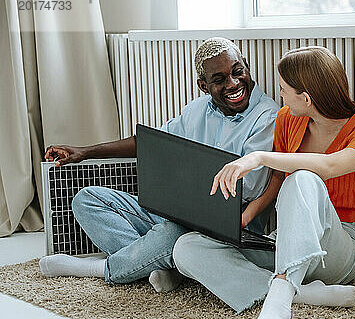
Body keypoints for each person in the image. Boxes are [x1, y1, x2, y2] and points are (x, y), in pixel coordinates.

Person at [171, 46, 355, 319]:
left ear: (306, 98)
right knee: (188, 247)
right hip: (286, 242)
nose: (279, 97)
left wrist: (255, 157)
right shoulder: (287, 119)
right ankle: (305, 294)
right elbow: (275, 180)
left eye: (284, 90)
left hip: (336, 250)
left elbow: (328, 166)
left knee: (303, 177)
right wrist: (241, 220)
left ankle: (277, 310)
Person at [39, 37, 281, 293]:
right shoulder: (197, 110)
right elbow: (151, 144)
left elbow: (250, 187)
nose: (233, 83)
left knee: (170, 235)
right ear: (203, 85)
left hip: (226, 224)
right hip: (178, 211)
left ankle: (101, 269)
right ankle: (163, 265)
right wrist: (86, 152)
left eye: (237, 71)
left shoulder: (266, 115)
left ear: (246, 66)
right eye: (219, 79)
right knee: (87, 199)